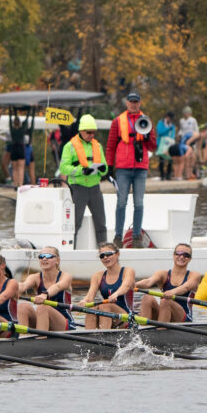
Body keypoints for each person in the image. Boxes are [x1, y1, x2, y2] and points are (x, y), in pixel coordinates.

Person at [105, 92, 156, 248]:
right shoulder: (117, 121)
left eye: (136, 102)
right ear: (126, 103)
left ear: (140, 103)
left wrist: (147, 137)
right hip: (123, 168)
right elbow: (111, 145)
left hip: (140, 168)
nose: (133, 104)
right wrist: (109, 166)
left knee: (139, 203)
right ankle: (118, 237)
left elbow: (154, 146)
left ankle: (136, 238)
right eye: (131, 102)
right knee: (121, 202)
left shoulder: (146, 121)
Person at [60, 114, 109, 249]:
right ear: (81, 131)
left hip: (95, 188)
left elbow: (104, 167)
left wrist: (103, 169)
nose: (91, 135)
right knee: (75, 223)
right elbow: (63, 167)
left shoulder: (97, 146)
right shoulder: (69, 146)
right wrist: (81, 170)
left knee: (101, 223)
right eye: (89, 132)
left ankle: (104, 251)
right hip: (78, 188)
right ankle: (71, 250)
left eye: (94, 132)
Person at [134, 244, 203, 322]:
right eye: (178, 253)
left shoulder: (194, 275)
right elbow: (148, 282)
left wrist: (172, 292)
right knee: (147, 298)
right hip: (165, 313)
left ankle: (161, 330)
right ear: (174, 255)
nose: (181, 257)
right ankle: (142, 332)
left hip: (183, 318)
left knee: (166, 301)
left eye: (186, 255)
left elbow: (185, 288)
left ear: (190, 259)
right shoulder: (163, 274)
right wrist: (134, 284)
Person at [16, 247, 76, 332]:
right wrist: (13, 289)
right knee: (22, 306)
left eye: (49, 256)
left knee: (43, 308)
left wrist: (45, 294)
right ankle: (22, 339)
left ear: (57, 260)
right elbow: (23, 285)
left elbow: (57, 286)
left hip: (64, 323)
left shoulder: (65, 276)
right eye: (41, 256)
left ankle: (40, 341)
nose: (44, 258)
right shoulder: (34, 277)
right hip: (42, 320)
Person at [78, 243, 135, 330]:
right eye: (102, 255)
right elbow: (90, 296)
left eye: (108, 254)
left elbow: (126, 286)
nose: (105, 257)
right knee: (92, 308)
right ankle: (88, 337)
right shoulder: (97, 276)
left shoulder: (127, 271)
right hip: (108, 315)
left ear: (117, 254)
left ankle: (103, 337)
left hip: (127, 319)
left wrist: (116, 294)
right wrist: (84, 301)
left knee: (105, 305)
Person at [8, 108, 35, 187]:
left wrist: (11, 111)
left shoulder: (12, 130)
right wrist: (30, 111)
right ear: (20, 124)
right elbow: (27, 121)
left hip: (13, 148)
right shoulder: (22, 130)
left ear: (13, 123)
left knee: (14, 169)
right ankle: (20, 184)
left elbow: (10, 121)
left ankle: (15, 185)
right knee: (21, 169)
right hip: (20, 148)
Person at [155, 112, 177, 181]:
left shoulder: (172, 124)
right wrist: (168, 129)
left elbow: (173, 134)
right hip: (161, 143)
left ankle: (168, 175)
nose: (171, 120)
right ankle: (162, 175)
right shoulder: (161, 122)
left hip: (169, 144)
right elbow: (159, 132)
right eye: (170, 118)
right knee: (161, 159)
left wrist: (171, 140)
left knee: (170, 159)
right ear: (167, 117)